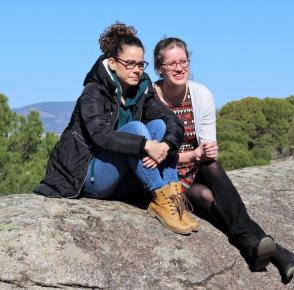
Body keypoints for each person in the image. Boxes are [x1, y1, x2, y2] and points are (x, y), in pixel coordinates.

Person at [153, 37, 294, 284]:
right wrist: (192, 155)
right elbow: (154, 154)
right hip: (168, 173)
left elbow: (207, 145)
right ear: (159, 68)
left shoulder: (201, 94)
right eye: (171, 64)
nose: (179, 68)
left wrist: (208, 150)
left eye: (184, 61)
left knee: (212, 165)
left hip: (199, 167)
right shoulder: (150, 98)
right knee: (206, 197)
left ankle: (256, 247)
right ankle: (274, 252)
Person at [34, 22, 198, 235]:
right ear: (112, 63)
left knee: (159, 125)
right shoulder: (93, 92)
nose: (137, 70)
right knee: (137, 128)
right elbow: (101, 136)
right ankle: (161, 199)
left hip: (125, 174)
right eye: (130, 63)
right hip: (91, 176)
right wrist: (145, 145)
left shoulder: (142, 88)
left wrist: (166, 145)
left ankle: (174, 199)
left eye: (141, 64)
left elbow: (172, 122)